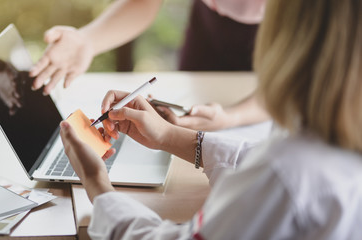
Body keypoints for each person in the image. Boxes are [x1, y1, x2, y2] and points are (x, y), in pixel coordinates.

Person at [59, 0, 362, 238]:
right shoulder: (331, 147)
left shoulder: (282, 175)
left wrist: (97, 185)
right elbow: (258, 162)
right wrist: (169, 136)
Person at [29, 0, 270, 131]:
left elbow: (299, 82)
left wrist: (231, 117)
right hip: (207, 26)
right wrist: (88, 41)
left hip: (279, 33)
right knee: (186, 121)